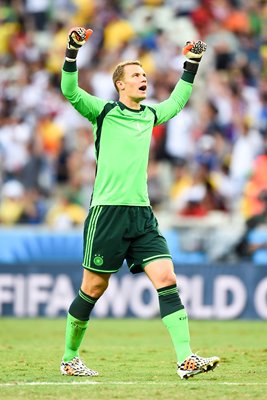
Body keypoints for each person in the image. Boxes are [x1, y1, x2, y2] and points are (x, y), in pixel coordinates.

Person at [60, 27, 220, 380]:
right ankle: (70, 357)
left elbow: (176, 102)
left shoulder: (149, 116)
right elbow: (69, 90)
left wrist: (190, 63)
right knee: (94, 288)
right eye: (136, 75)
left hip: (142, 214)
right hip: (108, 212)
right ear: (121, 85)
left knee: (166, 276)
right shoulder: (102, 111)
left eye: (145, 75)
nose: (143, 79)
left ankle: (185, 358)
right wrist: (72, 51)